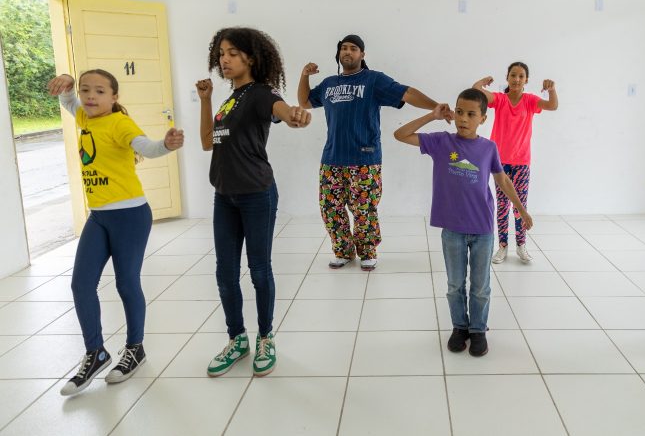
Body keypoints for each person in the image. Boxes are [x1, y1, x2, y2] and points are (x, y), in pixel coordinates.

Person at [47, 70, 184, 396]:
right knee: (80, 284)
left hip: (131, 215)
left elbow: (147, 148)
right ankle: (96, 353)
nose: (90, 96)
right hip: (99, 217)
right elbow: (68, 100)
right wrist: (66, 82)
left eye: (99, 91)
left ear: (114, 98)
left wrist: (165, 144)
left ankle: (135, 348)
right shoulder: (85, 116)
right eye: (86, 90)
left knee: (126, 282)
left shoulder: (120, 124)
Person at [196, 27, 311, 377]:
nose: (224, 59)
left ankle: (265, 337)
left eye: (232, 53)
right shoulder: (229, 100)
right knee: (225, 273)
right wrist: (205, 100)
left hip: (256, 194)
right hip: (224, 196)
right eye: (221, 54)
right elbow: (206, 143)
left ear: (250, 57)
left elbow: (283, 111)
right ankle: (237, 339)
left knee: (259, 270)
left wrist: (296, 114)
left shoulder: (261, 93)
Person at [394, 88, 532, 356]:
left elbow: (502, 180)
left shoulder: (488, 147)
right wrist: (432, 115)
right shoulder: (441, 142)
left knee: (480, 287)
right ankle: (460, 326)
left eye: (471, 114)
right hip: (452, 231)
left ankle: (478, 329)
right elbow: (400, 135)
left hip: (482, 230)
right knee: (455, 285)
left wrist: (521, 210)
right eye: (459, 112)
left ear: (483, 117)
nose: (463, 119)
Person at [298, 34, 447, 271]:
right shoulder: (328, 84)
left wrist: (435, 107)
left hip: (364, 159)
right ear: (339, 54)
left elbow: (406, 93)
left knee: (363, 209)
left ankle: (367, 251)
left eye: (353, 48)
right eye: (344, 48)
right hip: (331, 159)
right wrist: (304, 75)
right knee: (330, 209)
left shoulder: (373, 80)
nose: (347, 52)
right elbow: (305, 102)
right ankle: (343, 251)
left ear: (362, 54)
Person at [472, 62, 558, 263]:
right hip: (499, 162)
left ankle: (521, 245)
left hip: (521, 162)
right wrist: (483, 82)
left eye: (521, 76)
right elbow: (476, 92)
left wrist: (552, 89)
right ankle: (502, 246)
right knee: (502, 205)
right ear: (507, 78)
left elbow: (552, 106)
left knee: (520, 206)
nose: (517, 79)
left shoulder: (529, 101)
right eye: (513, 75)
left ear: (526, 80)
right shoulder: (500, 100)